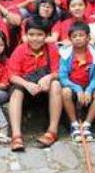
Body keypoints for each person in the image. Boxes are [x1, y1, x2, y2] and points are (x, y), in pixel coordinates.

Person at [7, 19, 62, 151]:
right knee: (16, 91)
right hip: (26, 90)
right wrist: (26, 84)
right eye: (31, 35)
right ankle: (16, 136)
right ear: (26, 35)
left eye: (39, 35)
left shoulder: (52, 49)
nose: (35, 39)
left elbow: (60, 71)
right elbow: (11, 75)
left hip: (44, 92)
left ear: (46, 36)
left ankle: (52, 131)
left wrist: (49, 77)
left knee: (56, 85)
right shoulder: (20, 50)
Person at [59, 22, 95, 142]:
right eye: (74, 36)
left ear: (88, 37)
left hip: (88, 86)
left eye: (81, 35)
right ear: (70, 39)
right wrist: (77, 88)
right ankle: (74, 124)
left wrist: (89, 89)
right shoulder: (66, 54)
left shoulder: (94, 54)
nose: (78, 38)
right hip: (72, 86)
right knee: (65, 92)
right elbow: (63, 77)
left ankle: (87, 124)